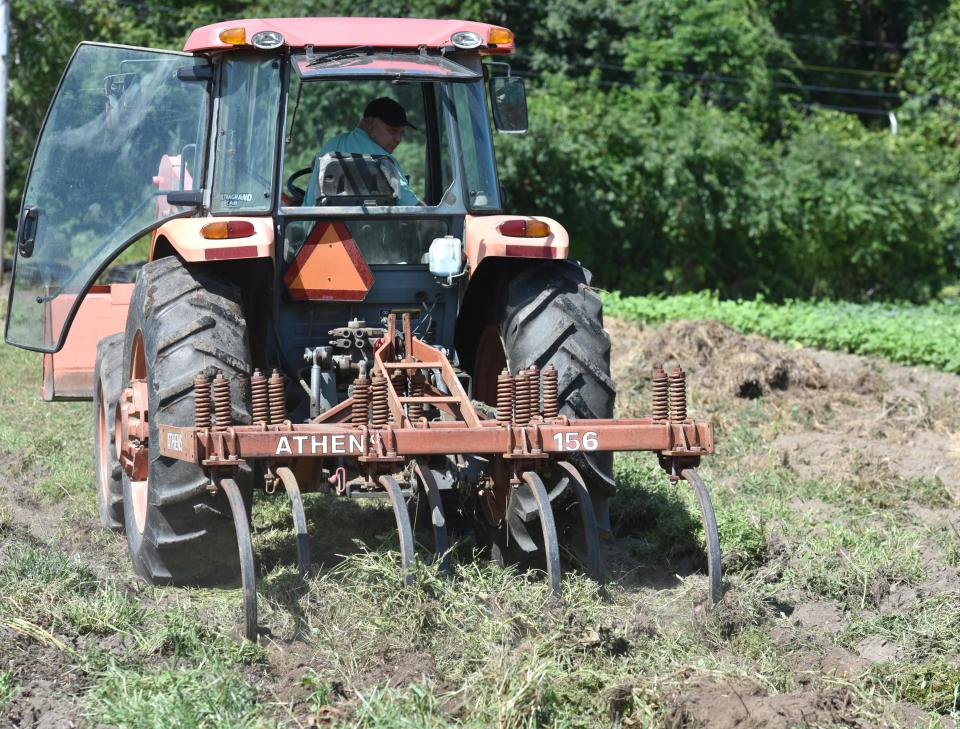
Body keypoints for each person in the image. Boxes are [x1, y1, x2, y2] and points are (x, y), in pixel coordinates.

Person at [304, 97, 420, 206]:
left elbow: (310, 200)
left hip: (316, 223)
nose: (398, 139)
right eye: (392, 131)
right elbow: (410, 204)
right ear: (370, 123)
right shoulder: (384, 161)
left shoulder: (331, 145)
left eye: (401, 133)